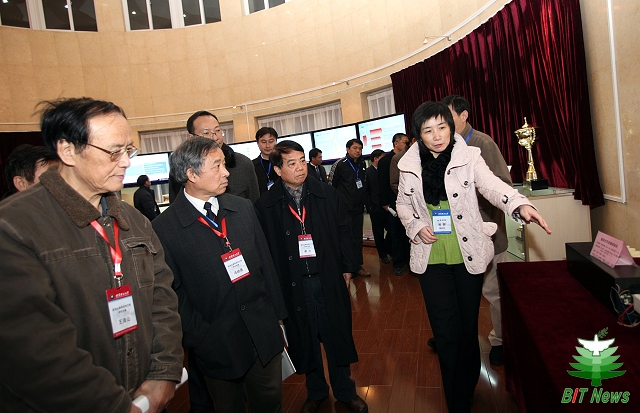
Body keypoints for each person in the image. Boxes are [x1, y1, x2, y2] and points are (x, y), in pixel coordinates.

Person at [0, 97, 184, 413]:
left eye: (129, 150)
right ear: (67, 151)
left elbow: (162, 300)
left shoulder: (135, 220)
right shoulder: (14, 226)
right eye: (114, 152)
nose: (126, 162)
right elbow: (35, 350)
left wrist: (164, 372)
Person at [396, 101, 551, 413]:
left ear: (451, 126)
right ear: (418, 135)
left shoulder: (469, 155)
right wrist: (414, 226)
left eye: (442, 127)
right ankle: (457, 401)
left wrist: (519, 204)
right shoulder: (408, 164)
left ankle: (467, 385)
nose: (437, 135)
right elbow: (402, 203)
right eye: (428, 130)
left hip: (467, 252)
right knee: (446, 333)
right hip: (431, 256)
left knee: (467, 329)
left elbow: (492, 185)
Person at [152, 137, 287, 413]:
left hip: (262, 333)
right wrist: (201, 336)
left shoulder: (242, 208)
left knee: (270, 403)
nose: (226, 173)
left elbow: (266, 265)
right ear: (191, 174)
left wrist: (278, 318)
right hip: (216, 344)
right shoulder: (164, 229)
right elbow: (172, 295)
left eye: (224, 164)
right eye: (217, 166)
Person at [255, 140, 368, 413]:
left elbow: (344, 231)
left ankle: (345, 391)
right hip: (293, 284)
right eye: (291, 163)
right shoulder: (265, 206)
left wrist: (348, 267)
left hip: (327, 277)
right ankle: (316, 391)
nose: (300, 168)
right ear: (278, 170)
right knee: (305, 339)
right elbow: (264, 251)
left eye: (302, 161)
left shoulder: (326, 194)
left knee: (336, 335)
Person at [439, 94, 512, 365]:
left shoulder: (482, 143)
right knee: (458, 293)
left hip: (487, 234)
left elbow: (502, 184)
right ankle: (458, 337)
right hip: (456, 237)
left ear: (464, 115)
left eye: (448, 118)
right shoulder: (445, 148)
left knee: (493, 291)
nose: (444, 126)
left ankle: (501, 340)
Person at [185, 110, 260, 202]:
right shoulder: (182, 168)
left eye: (217, 131)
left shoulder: (242, 163)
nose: (215, 137)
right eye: (206, 133)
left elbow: (254, 203)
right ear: (191, 137)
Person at [329, 139, 370, 278]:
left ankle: (358, 266)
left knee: (358, 239)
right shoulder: (340, 164)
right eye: (355, 148)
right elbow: (331, 187)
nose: (358, 151)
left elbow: (363, 185)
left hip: (358, 209)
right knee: (345, 239)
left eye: (360, 148)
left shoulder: (362, 163)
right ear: (348, 149)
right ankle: (347, 268)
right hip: (343, 210)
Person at [378, 133, 410, 275]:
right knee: (396, 233)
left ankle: (410, 261)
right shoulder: (386, 160)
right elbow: (383, 183)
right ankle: (398, 264)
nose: (407, 144)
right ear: (396, 143)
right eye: (404, 142)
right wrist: (385, 203)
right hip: (394, 202)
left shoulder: (409, 157)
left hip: (409, 202)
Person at [364, 149, 391, 264]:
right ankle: (382, 255)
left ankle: (388, 248)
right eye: (382, 157)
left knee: (392, 230)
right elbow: (366, 192)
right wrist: (370, 207)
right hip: (375, 208)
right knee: (378, 233)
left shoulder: (385, 170)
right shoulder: (367, 172)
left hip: (388, 207)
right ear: (376, 159)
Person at [253, 126, 280, 194]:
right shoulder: (251, 165)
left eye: (271, 141)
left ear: (276, 142)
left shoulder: (282, 162)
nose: (267, 146)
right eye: (263, 142)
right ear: (257, 143)